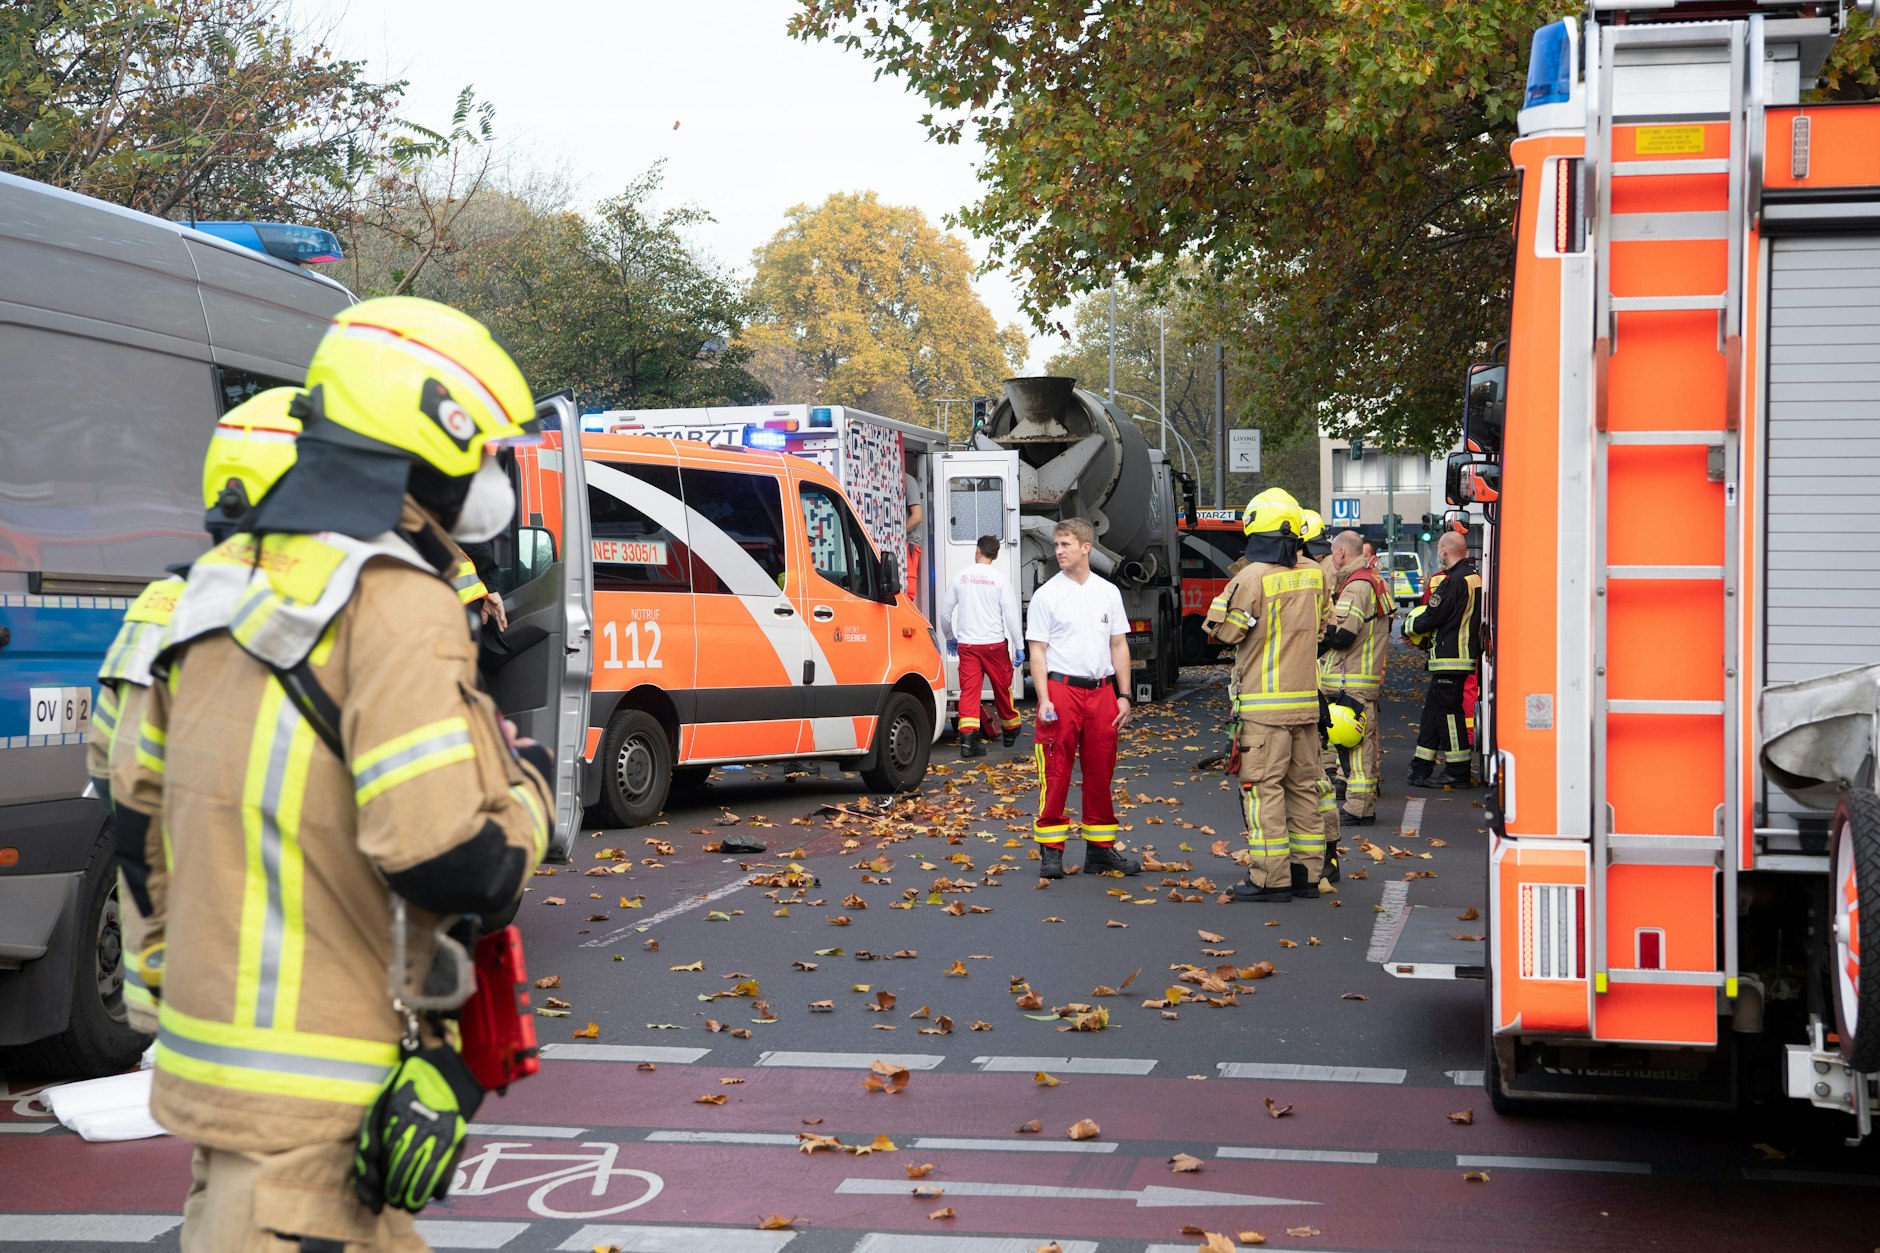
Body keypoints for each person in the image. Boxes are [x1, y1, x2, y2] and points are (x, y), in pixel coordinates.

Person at [113, 297, 554, 1252]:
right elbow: (446, 860)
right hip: (322, 1125)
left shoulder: (212, 587)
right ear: (427, 437)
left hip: (229, 1100)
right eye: (478, 450)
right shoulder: (395, 601)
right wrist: (530, 798)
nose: (484, 478)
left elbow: (137, 823)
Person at [88, 387, 304, 1033]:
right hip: (278, 979)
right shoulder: (301, 612)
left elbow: (110, 771)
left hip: (172, 971)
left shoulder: (163, 598)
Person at [1204, 488, 1330, 902]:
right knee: (1303, 788)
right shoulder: (1315, 576)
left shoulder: (1251, 577)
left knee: (1263, 791)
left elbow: (1223, 631)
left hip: (1263, 708)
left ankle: (1269, 879)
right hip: (1306, 705)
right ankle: (1307, 876)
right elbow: (1325, 629)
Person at [1027, 518, 1142, 879]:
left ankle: (1100, 851)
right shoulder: (1047, 594)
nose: (1058, 551)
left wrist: (1124, 695)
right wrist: (1043, 699)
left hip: (1101, 692)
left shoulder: (1108, 593)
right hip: (1061, 691)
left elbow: (1119, 644)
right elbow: (1038, 652)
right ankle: (1051, 852)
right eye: (1056, 545)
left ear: (1086, 547)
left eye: (1065, 545)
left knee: (1100, 771)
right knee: (1056, 771)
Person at [1320, 529, 1393, 826]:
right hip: (1364, 677)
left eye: (1332, 553)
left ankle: (1359, 809)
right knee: (1363, 746)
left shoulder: (1355, 587)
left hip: (1350, 679)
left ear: (1340, 553)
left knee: (1356, 750)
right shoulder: (1374, 580)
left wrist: (1317, 635)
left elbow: (1343, 635)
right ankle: (1361, 805)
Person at [1402, 529, 1483, 788]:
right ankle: (1420, 769)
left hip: (1451, 658)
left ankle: (1457, 771)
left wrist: (1410, 627)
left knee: (1449, 715)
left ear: (1444, 550)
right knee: (1433, 712)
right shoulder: (1474, 578)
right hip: (1459, 658)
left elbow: (1434, 615)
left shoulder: (1454, 580)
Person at [937, 533, 1024, 758]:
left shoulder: (961, 577)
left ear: (977, 551)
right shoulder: (1000, 579)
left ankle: (968, 740)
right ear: (995, 555)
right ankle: (1011, 729)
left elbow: (945, 613)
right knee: (1002, 687)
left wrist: (950, 637)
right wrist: (1019, 645)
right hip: (994, 644)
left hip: (967, 646)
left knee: (969, 691)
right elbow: (1011, 615)